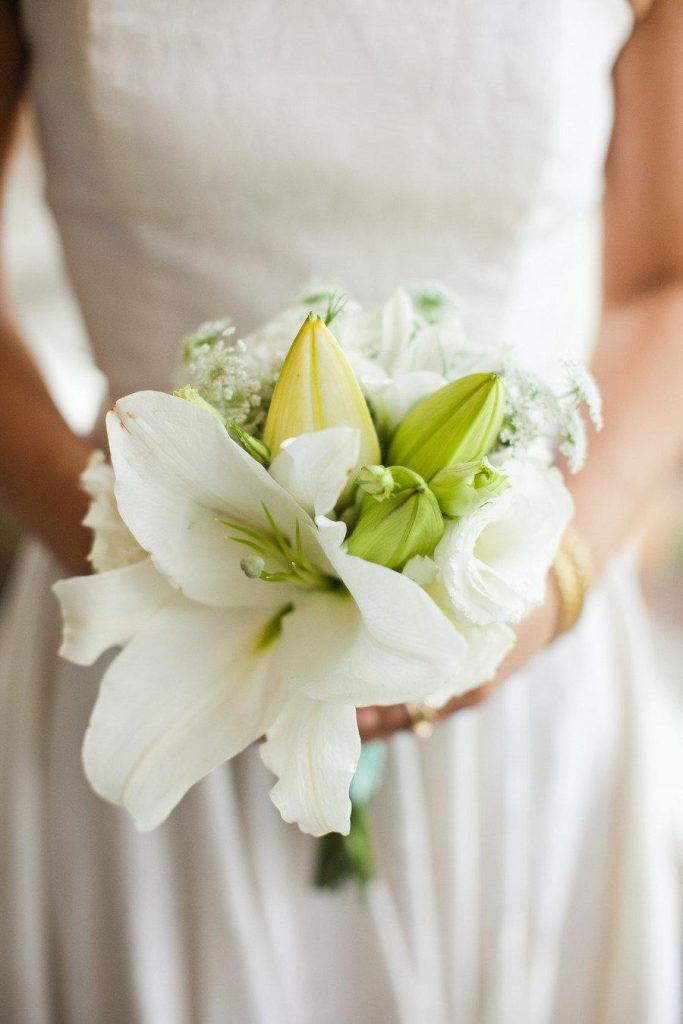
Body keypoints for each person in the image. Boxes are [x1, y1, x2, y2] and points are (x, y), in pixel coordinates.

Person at [1, 1, 681, 1021]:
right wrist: (148, 558)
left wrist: (541, 596)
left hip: (518, 670)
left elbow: (662, 282)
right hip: (155, 681)